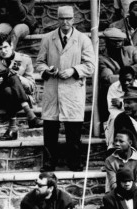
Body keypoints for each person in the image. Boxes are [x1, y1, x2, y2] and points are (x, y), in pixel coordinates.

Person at [36, 6, 95, 171]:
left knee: (73, 131)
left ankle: (74, 163)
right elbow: (39, 62)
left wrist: (73, 70)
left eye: (68, 18)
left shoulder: (83, 39)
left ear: (74, 19)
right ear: (57, 19)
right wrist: (47, 70)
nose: (65, 22)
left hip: (73, 89)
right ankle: (49, 163)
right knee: (50, 129)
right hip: (52, 88)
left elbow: (90, 66)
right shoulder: (48, 38)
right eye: (62, 19)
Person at [0, 33, 42, 140]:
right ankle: (31, 116)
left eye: (6, 47)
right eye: (0, 48)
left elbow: (32, 88)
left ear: (11, 45)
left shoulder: (25, 59)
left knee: (11, 84)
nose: (3, 51)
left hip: (17, 94)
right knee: (10, 79)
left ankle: (12, 128)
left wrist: (20, 79)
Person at [99, 27, 137, 122]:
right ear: (107, 42)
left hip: (134, 83)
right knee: (104, 90)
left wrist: (126, 72)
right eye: (115, 41)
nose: (118, 44)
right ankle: (107, 122)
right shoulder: (102, 58)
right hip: (118, 85)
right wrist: (125, 77)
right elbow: (108, 77)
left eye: (120, 41)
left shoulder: (130, 50)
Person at [105, 67, 137, 149]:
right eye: (123, 80)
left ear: (134, 78)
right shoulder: (113, 87)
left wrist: (121, 105)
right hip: (119, 113)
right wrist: (125, 111)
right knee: (115, 118)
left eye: (129, 80)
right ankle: (113, 145)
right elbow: (112, 108)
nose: (126, 83)